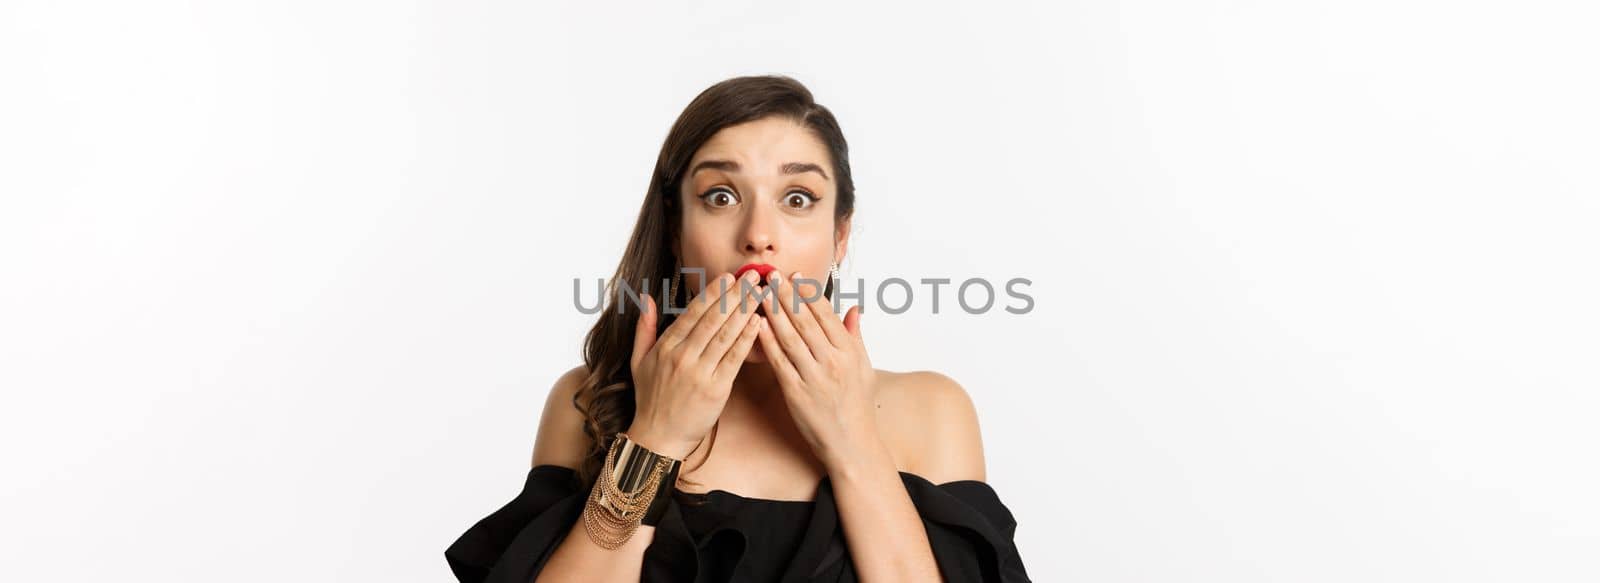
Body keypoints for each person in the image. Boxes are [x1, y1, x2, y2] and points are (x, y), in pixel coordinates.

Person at [445, 75, 1032, 582]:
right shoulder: (589, 400)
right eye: (721, 195)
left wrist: (851, 440)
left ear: (840, 238)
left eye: (798, 198)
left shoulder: (933, 410)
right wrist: (655, 438)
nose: (758, 234)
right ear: (676, 234)